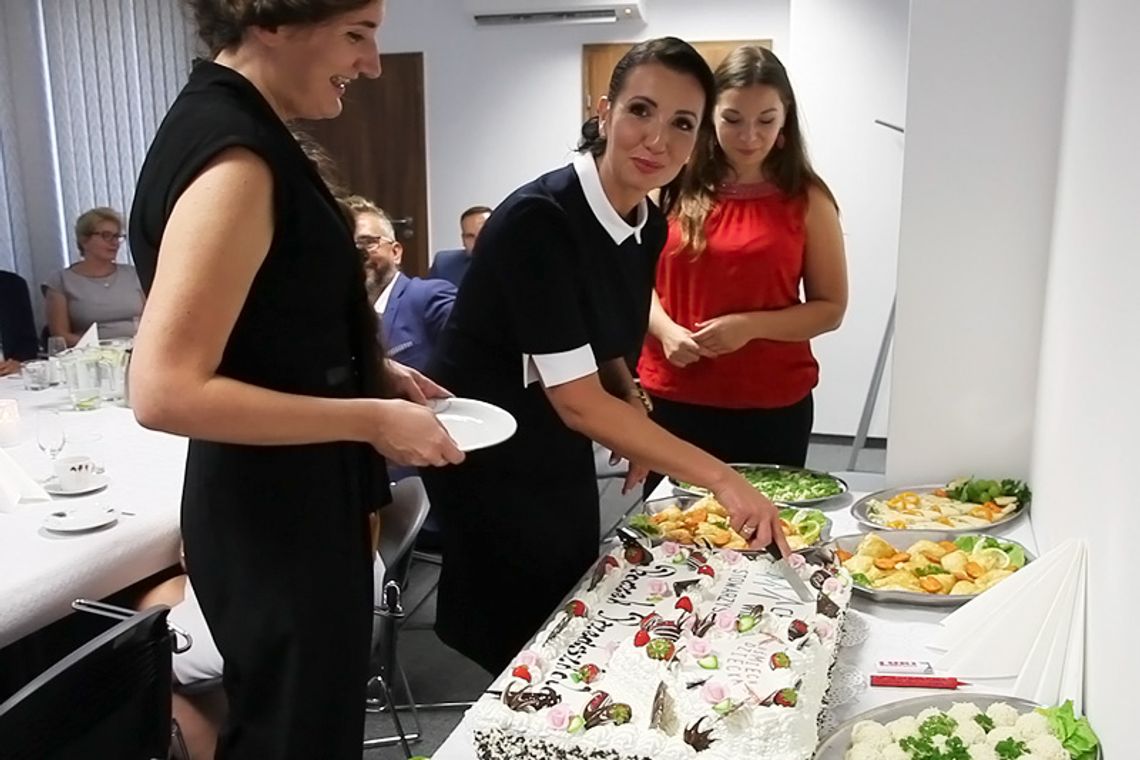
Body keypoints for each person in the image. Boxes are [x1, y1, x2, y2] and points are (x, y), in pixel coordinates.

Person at [127, 1, 464, 757]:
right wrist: (369, 419)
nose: (372, 63)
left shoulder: (245, 132)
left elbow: (265, 325)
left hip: (286, 505)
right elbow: (164, 390)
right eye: (357, 35)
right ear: (269, 21)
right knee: (296, 738)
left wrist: (374, 370)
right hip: (278, 519)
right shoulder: (237, 161)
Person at [421, 37, 791, 675]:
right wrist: (726, 480)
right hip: (493, 460)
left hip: (551, 440)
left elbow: (599, 341)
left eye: (683, 123)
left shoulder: (645, 220)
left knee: (569, 603)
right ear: (605, 112)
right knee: (521, 640)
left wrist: (630, 395)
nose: (658, 140)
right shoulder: (540, 222)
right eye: (641, 111)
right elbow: (578, 401)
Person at [638, 46, 847, 490]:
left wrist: (749, 326)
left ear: (785, 117)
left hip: (769, 405)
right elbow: (634, 283)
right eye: (733, 119)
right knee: (673, 534)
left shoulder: (807, 198)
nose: (749, 136)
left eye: (766, 120)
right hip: (672, 395)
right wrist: (665, 330)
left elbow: (830, 308)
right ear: (710, 116)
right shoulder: (669, 188)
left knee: (764, 535)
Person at [346, 195, 457, 373]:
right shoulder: (337, 314)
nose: (358, 254)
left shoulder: (428, 296)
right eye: (346, 245)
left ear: (395, 252)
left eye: (368, 243)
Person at [44, 207, 145, 345]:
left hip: (137, 350)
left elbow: (152, 322)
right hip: (90, 355)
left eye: (117, 237)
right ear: (84, 240)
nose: (114, 242)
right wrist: (105, 349)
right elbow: (60, 336)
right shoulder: (61, 281)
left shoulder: (134, 274)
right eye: (106, 235)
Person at [426, 204, 491, 287]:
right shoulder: (443, 264)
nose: (478, 242)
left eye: (483, 234)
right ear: (463, 239)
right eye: (470, 236)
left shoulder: (511, 263)